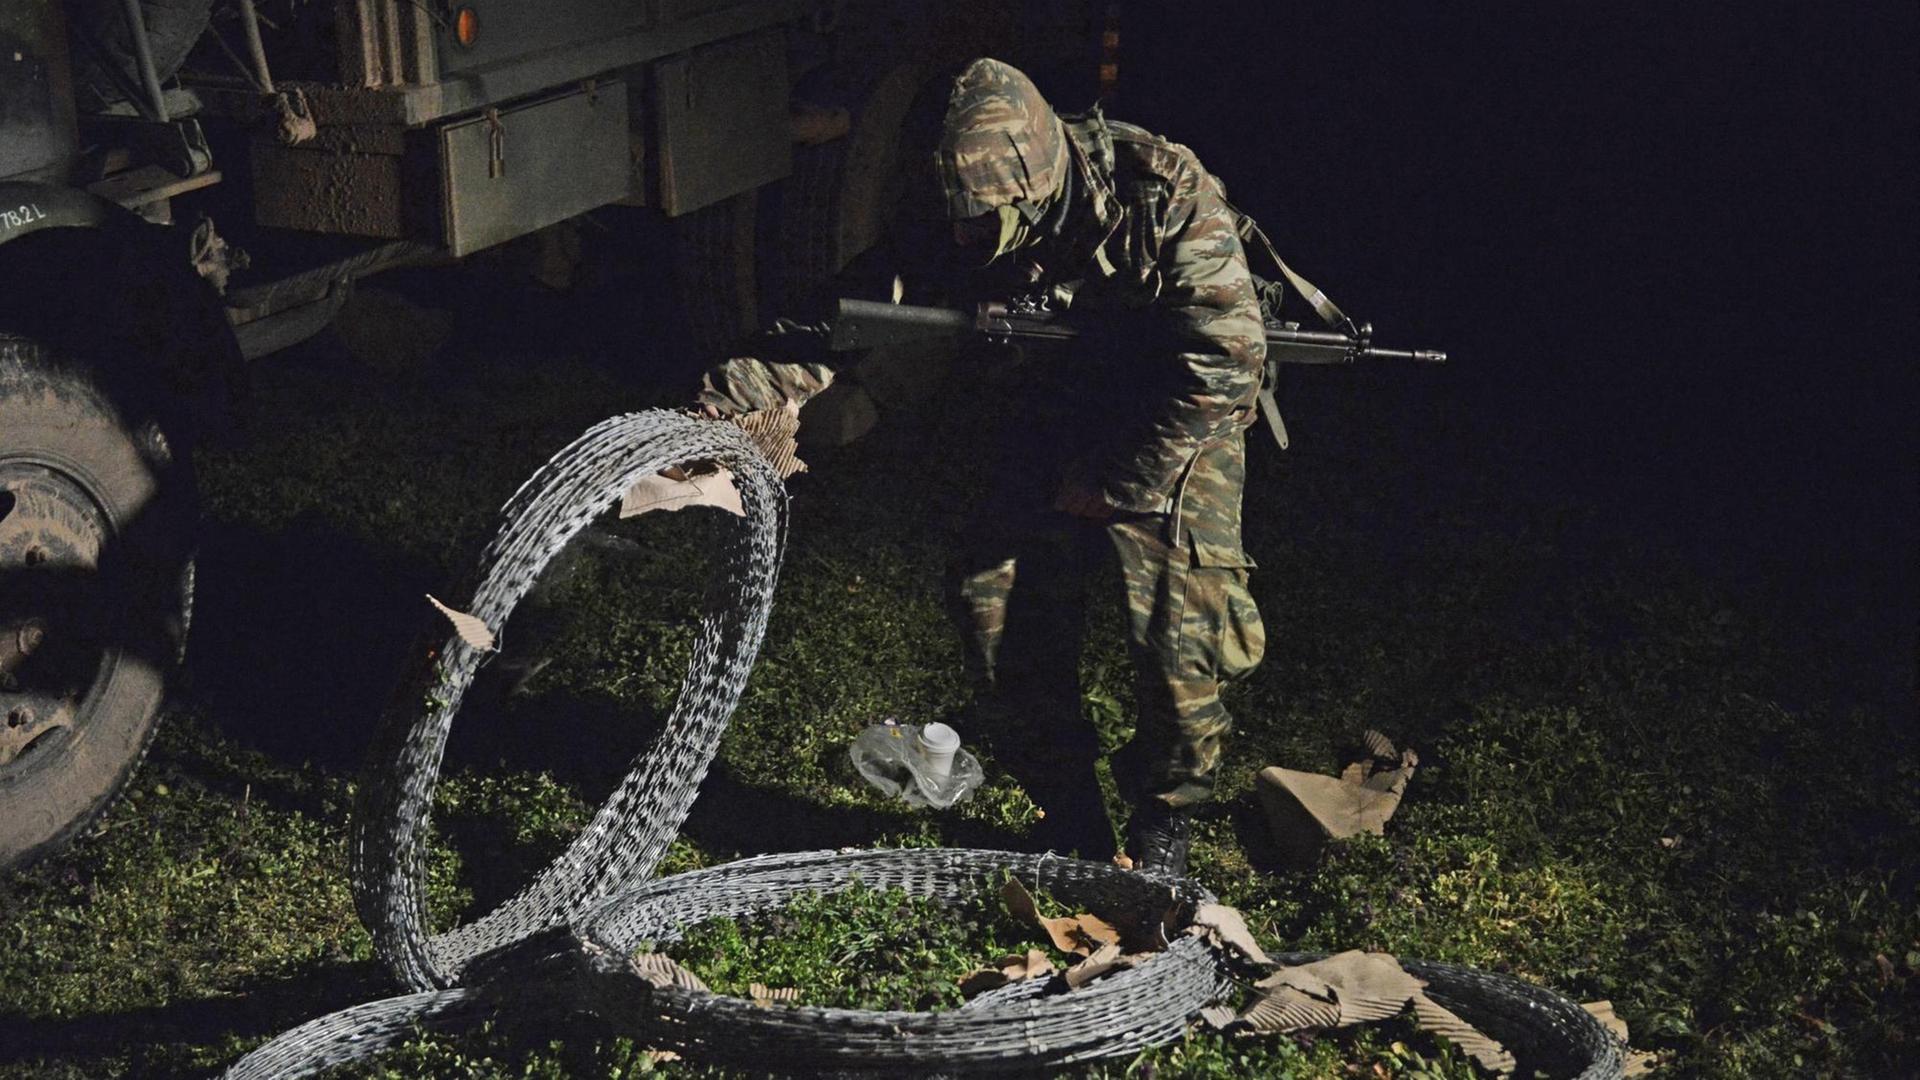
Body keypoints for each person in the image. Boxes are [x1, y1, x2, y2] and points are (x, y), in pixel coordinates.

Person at [696, 58, 1267, 876]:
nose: (963, 241)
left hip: (1170, 414)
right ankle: (1070, 815)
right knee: (991, 601)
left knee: (1184, 625)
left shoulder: (1163, 192)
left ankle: (1164, 821)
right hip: (1059, 406)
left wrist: (1112, 485)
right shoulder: (960, 207)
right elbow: (844, 320)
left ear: (1036, 189)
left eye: (984, 226)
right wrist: (728, 399)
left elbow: (1222, 370)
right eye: (958, 221)